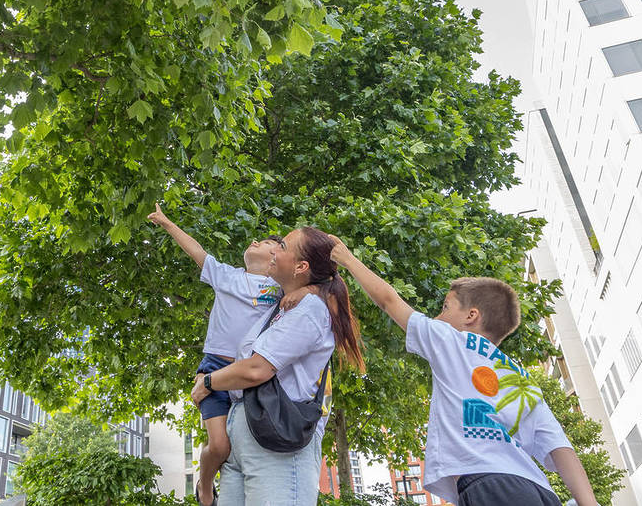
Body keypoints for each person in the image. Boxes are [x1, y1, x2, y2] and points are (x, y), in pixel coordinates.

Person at [329, 235, 600, 506]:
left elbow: (389, 301)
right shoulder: (521, 377)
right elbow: (561, 448)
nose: (437, 317)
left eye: (445, 307)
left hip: (490, 485)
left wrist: (348, 259)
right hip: (538, 490)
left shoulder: (452, 340)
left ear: (471, 316)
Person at [190, 226, 365, 506]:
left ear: (301, 266)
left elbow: (256, 369)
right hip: (246, 439)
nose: (274, 249)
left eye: (282, 246)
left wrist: (209, 382)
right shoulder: (282, 305)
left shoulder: (310, 309)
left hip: (276, 445)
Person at [147, 204, 308, 506]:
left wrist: (301, 293)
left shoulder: (280, 286)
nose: (255, 242)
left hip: (250, 374)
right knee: (220, 447)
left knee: (244, 445)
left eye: (265, 242)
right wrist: (167, 223)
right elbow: (196, 251)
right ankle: (205, 483)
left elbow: (315, 285)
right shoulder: (226, 275)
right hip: (215, 367)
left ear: (278, 256)